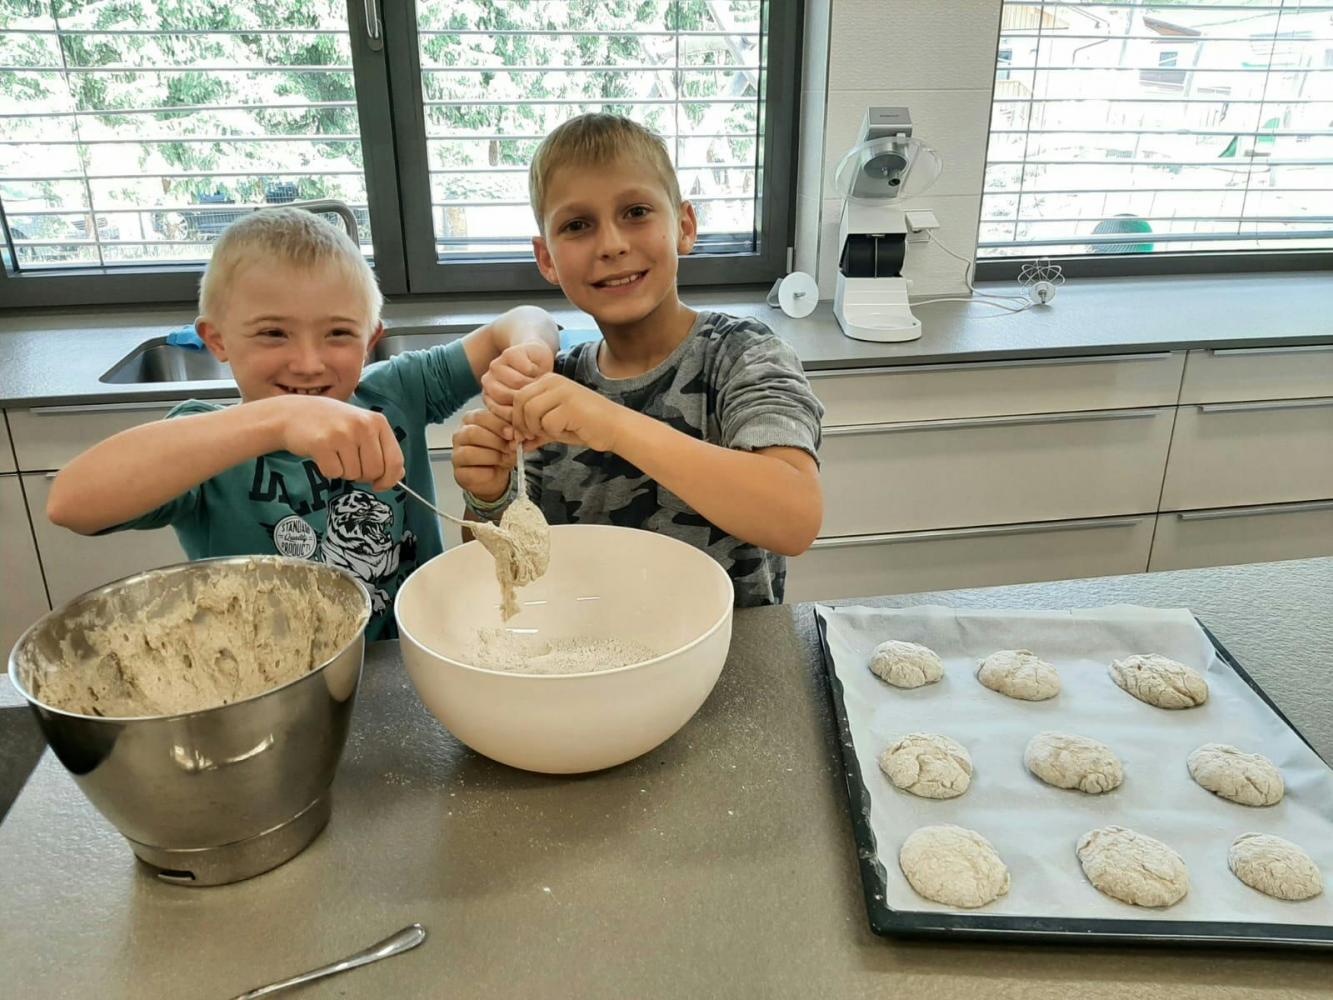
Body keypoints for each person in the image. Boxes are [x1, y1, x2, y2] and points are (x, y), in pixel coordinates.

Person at [47, 208, 559, 638]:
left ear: (371, 337)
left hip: (414, 659)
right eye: (274, 333)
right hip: (279, 690)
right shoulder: (207, 443)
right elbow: (71, 503)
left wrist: (530, 351)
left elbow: (524, 318)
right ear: (217, 339)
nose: (309, 363)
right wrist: (278, 419)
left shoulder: (397, 391)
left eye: (338, 333)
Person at [452, 113, 824, 606]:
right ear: (546, 259)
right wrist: (487, 496)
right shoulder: (550, 386)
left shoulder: (743, 354)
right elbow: (506, 573)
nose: (611, 245)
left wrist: (611, 423)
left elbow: (795, 518)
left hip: (728, 660)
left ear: (684, 227)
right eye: (578, 225)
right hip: (586, 655)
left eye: (636, 212)